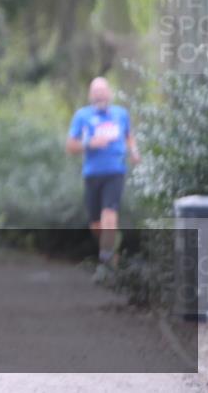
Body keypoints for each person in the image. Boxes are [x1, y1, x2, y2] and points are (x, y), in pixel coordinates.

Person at [66, 77, 140, 283]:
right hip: (92, 174)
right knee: (96, 225)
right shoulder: (82, 116)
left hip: (115, 172)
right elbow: (70, 146)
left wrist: (134, 151)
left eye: (102, 91)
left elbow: (129, 136)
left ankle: (107, 262)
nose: (99, 95)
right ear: (90, 95)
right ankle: (111, 250)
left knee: (109, 215)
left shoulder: (120, 114)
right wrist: (90, 143)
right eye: (95, 92)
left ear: (109, 93)